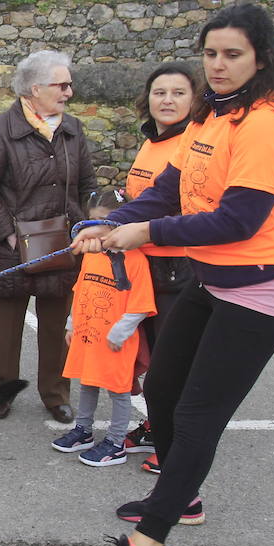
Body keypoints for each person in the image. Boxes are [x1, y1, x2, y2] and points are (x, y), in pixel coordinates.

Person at [70, 3, 274, 546]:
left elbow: (239, 220)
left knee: (199, 412)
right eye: (211, 54)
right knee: (165, 386)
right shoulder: (212, 115)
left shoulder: (269, 122)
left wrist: (145, 233)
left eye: (232, 55)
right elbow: (172, 187)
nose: (218, 66)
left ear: (262, 57)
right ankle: (183, 495)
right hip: (214, 274)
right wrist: (110, 223)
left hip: (265, 281)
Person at [0, 49, 96, 423]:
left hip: (62, 244)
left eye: (69, 84)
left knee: (57, 327)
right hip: (12, 248)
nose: (69, 92)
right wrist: (9, 235)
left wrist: (90, 223)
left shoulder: (73, 129)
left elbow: (87, 185)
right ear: (34, 88)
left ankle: (56, 394)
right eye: (62, 85)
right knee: (6, 330)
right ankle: (0, 392)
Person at [121, 62, 199, 474]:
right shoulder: (152, 142)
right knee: (151, 357)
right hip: (144, 266)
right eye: (159, 92)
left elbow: (180, 204)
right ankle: (157, 424)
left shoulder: (192, 144)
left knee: (174, 362)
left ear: (195, 100)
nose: (167, 100)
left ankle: (176, 443)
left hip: (178, 267)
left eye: (178, 93)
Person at [50, 188, 155, 466]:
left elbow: (141, 304)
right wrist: (72, 323)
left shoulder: (135, 260)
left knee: (119, 392)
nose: (102, 229)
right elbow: (80, 291)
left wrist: (121, 331)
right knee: (87, 383)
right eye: (94, 221)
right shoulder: (92, 255)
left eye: (109, 221)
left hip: (115, 340)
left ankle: (116, 443)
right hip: (88, 337)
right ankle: (83, 431)